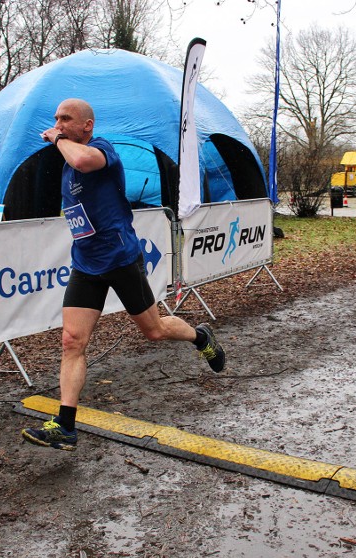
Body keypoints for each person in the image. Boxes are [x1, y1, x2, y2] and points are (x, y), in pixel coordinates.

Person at [22, 99, 225, 451]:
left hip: (120, 258)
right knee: (72, 341)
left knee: (155, 330)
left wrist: (56, 139)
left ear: (87, 125)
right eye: (55, 119)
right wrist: (59, 145)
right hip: (86, 264)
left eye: (66, 119)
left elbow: (84, 161)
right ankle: (65, 426)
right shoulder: (66, 163)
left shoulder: (101, 149)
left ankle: (200, 336)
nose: (57, 123)